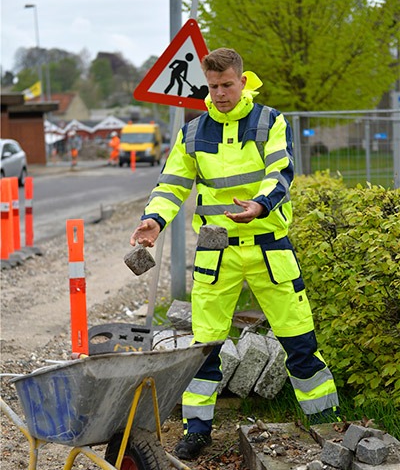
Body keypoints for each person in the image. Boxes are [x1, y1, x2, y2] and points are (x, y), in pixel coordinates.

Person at [130, 48, 340, 460]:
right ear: (205, 86)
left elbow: (281, 172)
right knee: (204, 349)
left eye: (227, 84)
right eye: (213, 86)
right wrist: (154, 220)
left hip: (268, 249)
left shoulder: (269, 120)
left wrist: (259, 206)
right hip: (215, 254)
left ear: (243, 81)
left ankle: (328, 425)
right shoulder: (192, 133)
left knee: (300, 341)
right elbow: (172, 183)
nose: (221, 93)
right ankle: (197, 431)